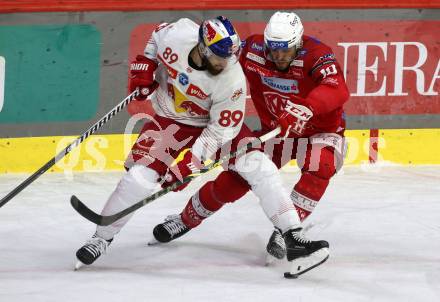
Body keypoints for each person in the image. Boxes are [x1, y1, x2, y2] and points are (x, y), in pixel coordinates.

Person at [75, 16, 329, 277]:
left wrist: (188, 165)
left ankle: (292, 237)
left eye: (231, 55)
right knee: (138, 180)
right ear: (204, 47)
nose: (226, 62)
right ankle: (101, 238)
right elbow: (156, 36)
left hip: (215, 127)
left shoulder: (231, 80)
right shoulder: (178, 33)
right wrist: (146, 64)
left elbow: (219, 131)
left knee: (261, 168)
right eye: (220, 57)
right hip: (168, 119)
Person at [153, 11, 349, 266]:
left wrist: (306, 108)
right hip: (277, 131)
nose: (278, 56)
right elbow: (214, 58)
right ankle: (185, 219)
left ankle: (287, 230)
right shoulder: (252, 49)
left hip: (321, 132)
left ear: (298, 43)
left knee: (321, 164)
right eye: (273, 49)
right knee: (234, 181)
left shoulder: (318, 55)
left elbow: (337, 88)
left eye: (285, 50)